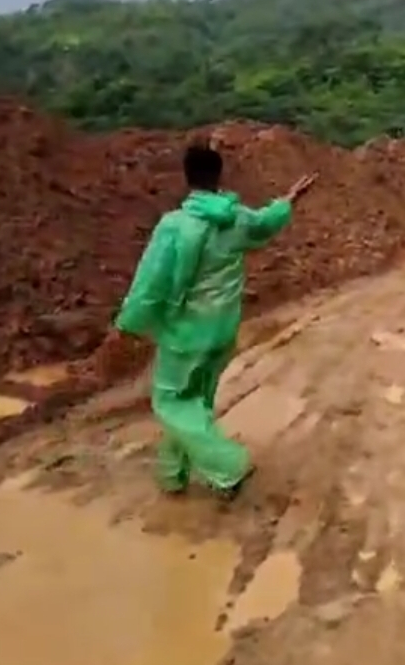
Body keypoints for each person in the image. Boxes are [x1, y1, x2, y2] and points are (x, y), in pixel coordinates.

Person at [109, 142, 317, 498]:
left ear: (186, 177)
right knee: (197, 402)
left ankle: (227, 466)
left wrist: (128, 323)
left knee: (171, 402)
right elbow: (266, 223)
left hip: (186, 333)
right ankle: (172, 474)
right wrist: (290, 199)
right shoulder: (236, 218)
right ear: (220, 175)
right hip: (223, 328)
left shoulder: (175, 226)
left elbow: (150, 282)